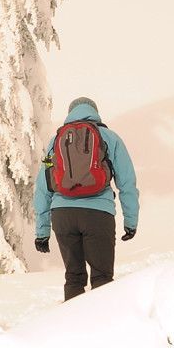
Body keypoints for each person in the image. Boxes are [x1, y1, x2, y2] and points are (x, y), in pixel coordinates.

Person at [34, 96, 139, 299]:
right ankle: (100, 326)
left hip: (63, 215)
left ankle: (73, 327)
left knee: (74, 277)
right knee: (102, 277)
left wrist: (42, 231)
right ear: (95, 112)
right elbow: (127, 182)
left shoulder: (56, 141)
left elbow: (43, 185)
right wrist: (130, 221)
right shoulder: (109, 137)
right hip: (98, 214)